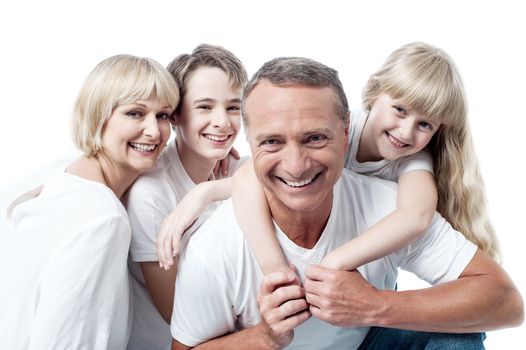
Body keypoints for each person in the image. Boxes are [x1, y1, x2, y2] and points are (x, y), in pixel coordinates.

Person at [169, 57, 523, 349]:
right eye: (273, 142)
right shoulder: (213, 247)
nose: (296, 165)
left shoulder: (396, 194)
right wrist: (266, 335)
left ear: (344, 131)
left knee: (456, 336)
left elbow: (506, 303)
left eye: (315, 138)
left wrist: (375, 306)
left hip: (366, 341)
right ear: (251, 144)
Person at [228, 41, 500, 277]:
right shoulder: (339, 129)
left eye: (425, 124)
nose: (405, 132)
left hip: (362, 264)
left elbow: (415, 217)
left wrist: (334, 262)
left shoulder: (413, 160)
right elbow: (254, 176)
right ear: (373, 90)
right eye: (400, 110)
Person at [0, 54, 179, 349]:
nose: (154, 131)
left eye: (163, 115)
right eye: (135, 113)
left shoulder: (65, 173)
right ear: (99, 116)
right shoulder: (104, 220)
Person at [124, 44, 248, 350]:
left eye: (233, 107)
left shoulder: (232, 168)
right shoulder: (151, 194)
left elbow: (283, 169)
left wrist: (208, 191)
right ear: (175, 115)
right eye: (205, 107)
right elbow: (175, 312)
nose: (223, 121)